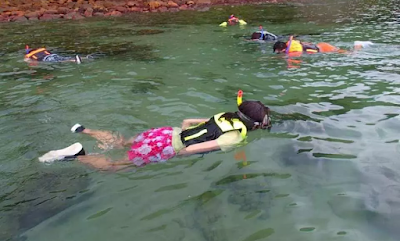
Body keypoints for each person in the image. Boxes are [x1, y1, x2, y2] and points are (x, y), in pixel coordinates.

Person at [38, 91, 272, 170]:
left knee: (121, 143)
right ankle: (77, 157)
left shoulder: (225, 115)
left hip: (164, 133)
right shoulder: (234, 137)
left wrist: (177, 136)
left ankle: (84, 130)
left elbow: (188, 120)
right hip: (168, 145)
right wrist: (171, 154)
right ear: (253, 124)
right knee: (115, 166)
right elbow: (193, 150)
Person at [273, 38, 373, 54]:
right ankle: (358, 45)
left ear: (281, 49)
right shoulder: (292, 43)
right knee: (345, 52)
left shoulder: (293, 52)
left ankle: (358, 45)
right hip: (320, 45)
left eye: (278, 51)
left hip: (324, 48)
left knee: (351, 54)